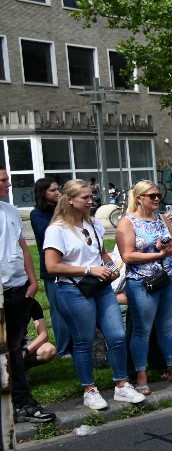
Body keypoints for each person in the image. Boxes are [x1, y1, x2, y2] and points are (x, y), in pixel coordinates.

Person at [44, 179, 144, 410]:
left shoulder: (94, 225)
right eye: (85, 198)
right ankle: (89, 389)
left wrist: (112, 268)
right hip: (72, 289)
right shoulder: (57, 230)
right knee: (84, 340)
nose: (91, 201)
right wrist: (89, 269)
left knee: (117, 335)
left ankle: (121, 385)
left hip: (100, 287)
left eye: (92, 197)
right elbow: (52, 267)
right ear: (69, 200)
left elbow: (101, 253)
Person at [116, 181, 172, 394]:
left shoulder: (162, 219)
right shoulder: (127, 222)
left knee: (167, 327)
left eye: (158, 195)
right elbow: (128, 256)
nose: (157, 198)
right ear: (139, 197)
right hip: (142, 282)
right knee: (142, 330)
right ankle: (141, 375)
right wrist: (158, 254)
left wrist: (169, 248)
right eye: (152, 196)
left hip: (167, 278)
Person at [0, 169, 54, 424]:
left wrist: (31, 280)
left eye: (8, 179)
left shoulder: (10, 210)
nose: (9, 184)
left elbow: (22, 247)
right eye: (3, 180)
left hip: (17, 288)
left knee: (14, 348)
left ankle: (22, 404)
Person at [30, 177, 70, 356]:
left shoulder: (61, 210)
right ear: (43, 193)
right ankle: (63, 349)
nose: (57, 192)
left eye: (58, 189)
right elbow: (49, 232)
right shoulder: (37, 214)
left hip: (69, 265)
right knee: (58, 309)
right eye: (53, 190)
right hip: (51, 269)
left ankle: (76, 344)